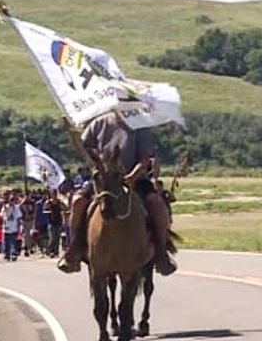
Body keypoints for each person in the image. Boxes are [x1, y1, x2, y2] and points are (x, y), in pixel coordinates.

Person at [57, 111, 177, 276]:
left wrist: (131, 176)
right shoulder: (99, 123)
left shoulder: (140, 126)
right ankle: (74, 249)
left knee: (156, 203)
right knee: (78, 202)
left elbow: (145, 159)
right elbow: (83, 148)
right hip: (104, 179)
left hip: (134, 179)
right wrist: (72, 133)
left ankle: (161, 252)